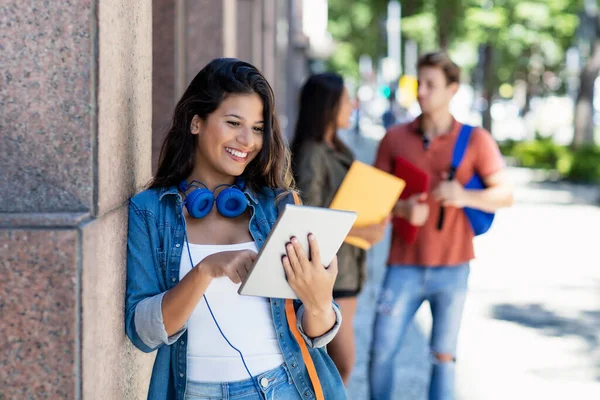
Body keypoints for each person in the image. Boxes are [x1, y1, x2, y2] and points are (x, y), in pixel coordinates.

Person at [125, 58, 347, 400]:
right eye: (233, 123)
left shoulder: (279, 206)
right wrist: (205, 271)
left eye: (258, 128)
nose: (247, 140)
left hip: (285, 387)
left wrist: (318, 303)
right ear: (196, 122)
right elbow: (144, 332)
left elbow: (313, 332)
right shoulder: (151, 211)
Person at [369, 52, 514, 400]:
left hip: (453, 268)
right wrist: (402, 208)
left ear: (452, 89)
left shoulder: (475, 140)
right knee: (380, 354)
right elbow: (370, 201)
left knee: (444, 358)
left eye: (431, 85)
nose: (422, 92)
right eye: (420, 83)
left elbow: (505, 195)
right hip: (402, 266)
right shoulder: (394, 138)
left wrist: (463, 195)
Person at [291, 72, 389, 385]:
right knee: (341, 365)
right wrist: (364, 233)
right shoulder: (312, 155)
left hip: (347, 270)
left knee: (337, 366)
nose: (352, 105)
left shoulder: (336, 147)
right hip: (329, 272)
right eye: (346, 100)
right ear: (328, 106)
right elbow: (309, 223)